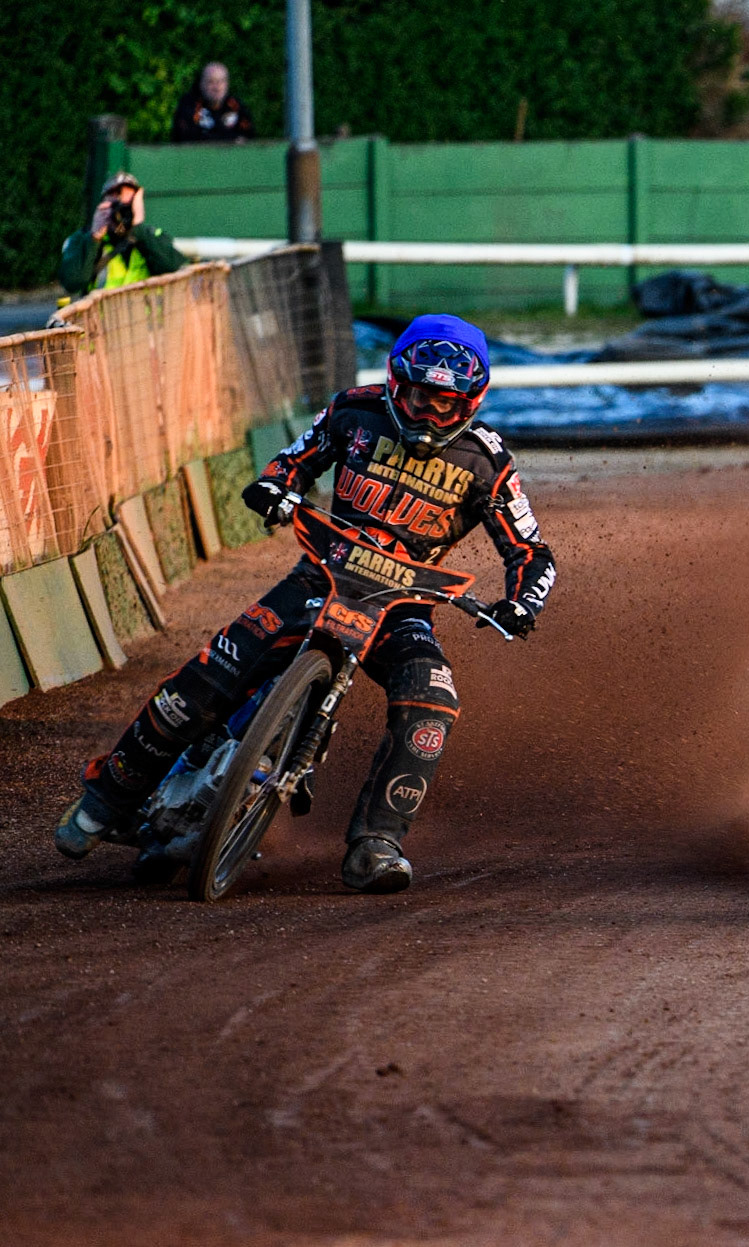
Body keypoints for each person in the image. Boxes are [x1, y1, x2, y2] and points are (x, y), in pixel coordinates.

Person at [52, 315, 557, 893]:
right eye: (418, 398)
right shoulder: (353, 410)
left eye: (445, 405)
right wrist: (274, 487)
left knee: (432, 700)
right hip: (321, 573)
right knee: (208, 675)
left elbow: (532, 551)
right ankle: (107, 796)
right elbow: (291, 460)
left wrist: (521, 604)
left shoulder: (487, 460)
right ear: (396, 383)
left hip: (403, 605)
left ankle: (378, 843)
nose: (427, 416)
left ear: (473, 400)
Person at [56, 173, 187, 296]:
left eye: (127, 207)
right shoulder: (82, 239)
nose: (121, 215)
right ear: (103, 204)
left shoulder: (152, 237)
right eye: (115, 205)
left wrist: (138, 229)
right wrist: (94, 239)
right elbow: (72, 284)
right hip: (102, 319)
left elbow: (176, 272)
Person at [171, 62, 255, 143]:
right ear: (201, 84)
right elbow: (187, 137)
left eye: (221, 81)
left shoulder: (235, 105)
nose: (217, 87)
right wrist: (229, 139)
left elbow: (248, 136)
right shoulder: (189, 105)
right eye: (211, 82)